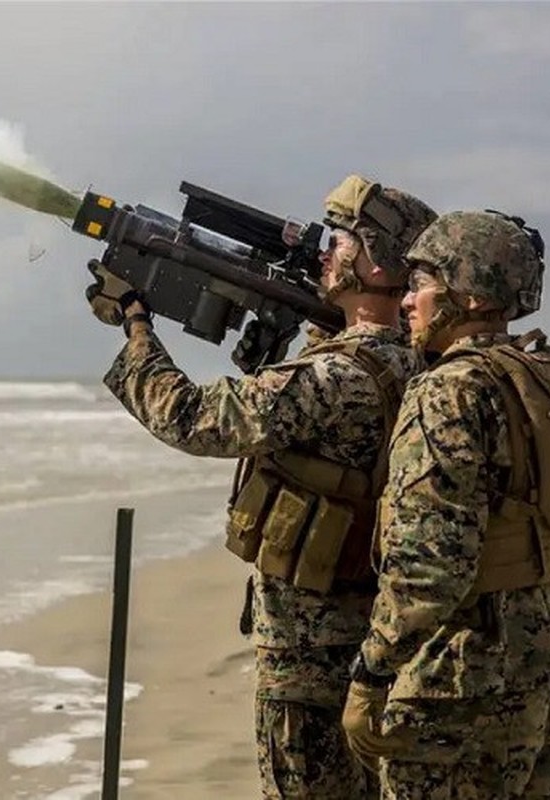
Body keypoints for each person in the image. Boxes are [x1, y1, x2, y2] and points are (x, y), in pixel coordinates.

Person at [86, 174, 437, 798]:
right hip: (369, 639)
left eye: (342, 239)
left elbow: (193, 419)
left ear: (377, 261)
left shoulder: (335, 376)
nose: (327, 251)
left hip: (309, 648)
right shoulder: (417, 364)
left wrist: (135, 324)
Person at [342, 211, 550, 799]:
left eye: (421, 283)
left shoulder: (449, 390)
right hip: (548, 653)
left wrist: (372, 670)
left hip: (460, 675)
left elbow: (429, 564)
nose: (407, 300)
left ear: (463, 294)